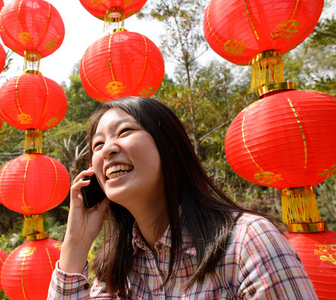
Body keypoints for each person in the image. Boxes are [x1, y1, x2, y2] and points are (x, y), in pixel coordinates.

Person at [48, 96, 317, 299]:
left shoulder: (248, 241)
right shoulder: (118, 269)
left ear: (171, 148)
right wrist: (76, 242)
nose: (107, 150)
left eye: (125, 132)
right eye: (98, 144)